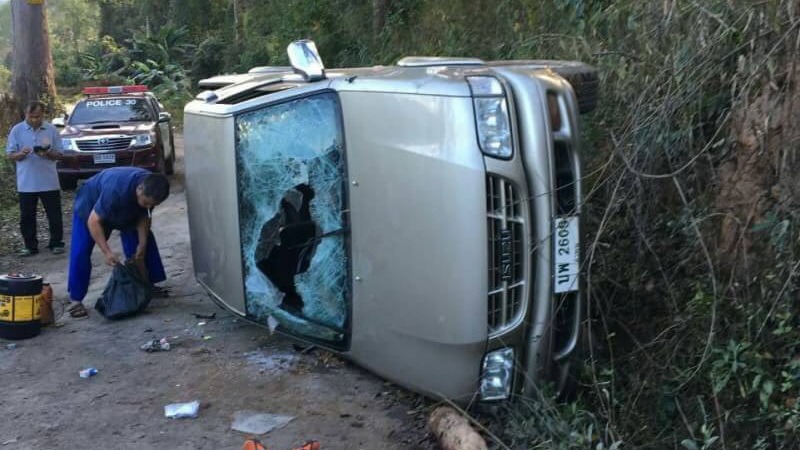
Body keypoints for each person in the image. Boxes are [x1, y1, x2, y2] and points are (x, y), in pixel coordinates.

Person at [66, 167, 170, 318]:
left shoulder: (153, 188)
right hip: (90, 206)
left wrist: (142, 244)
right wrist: (107, 252)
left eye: (151, 204)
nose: (148, 206)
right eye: (145, 202)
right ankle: (76, 299)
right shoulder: (115, 191)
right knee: (81, 250)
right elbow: (94, 221)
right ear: (139, 189)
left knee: (142, 245)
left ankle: (145, 285)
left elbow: (144, 216)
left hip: (127, 208)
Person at [5, 101, 65, 256]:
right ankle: (30, 245)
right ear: (26, 114)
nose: (33, 120)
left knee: (54, 215)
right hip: (26, 182)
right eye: (30, 116)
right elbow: (10, 155)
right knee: (27, 216)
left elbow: (60, 154)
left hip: (49, 181)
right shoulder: (17, 130)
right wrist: (21, 154)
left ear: (43, 115)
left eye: (37, 117)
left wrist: (47, 153)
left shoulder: (51, 130)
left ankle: (56, 243)